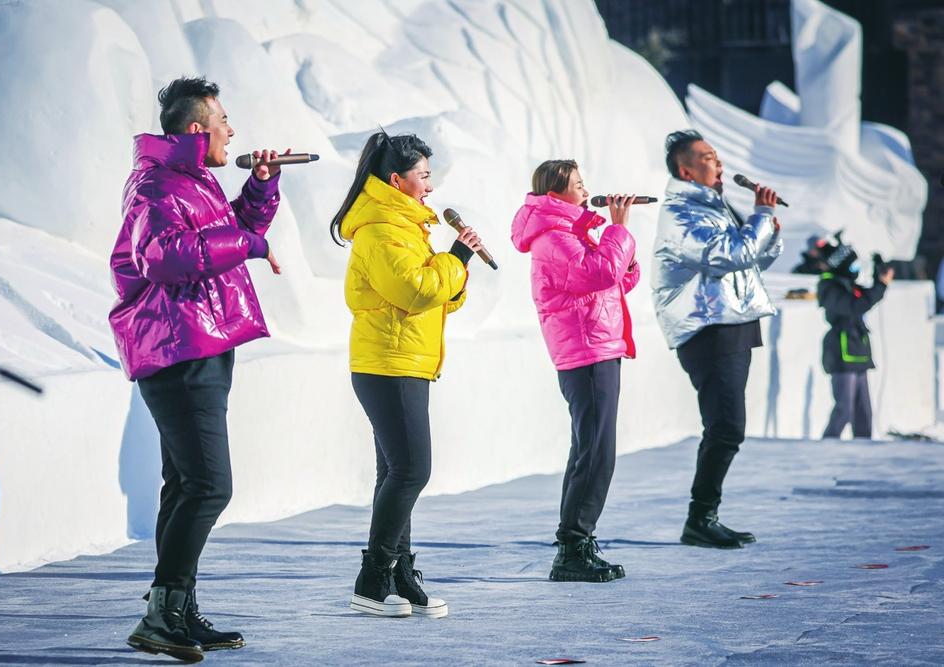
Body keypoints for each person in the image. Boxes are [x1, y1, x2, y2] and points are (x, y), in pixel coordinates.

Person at [109, 76, 284, 662]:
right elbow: (165, 259)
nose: (232, 131)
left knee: (186, 483)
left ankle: (175, 611)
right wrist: (252, 247)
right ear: (196, 129)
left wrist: (260, 189)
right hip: (176, 347)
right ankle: (161, 613)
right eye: (224, 121)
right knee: (210, 485)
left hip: (199, 342)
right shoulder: (155, 185)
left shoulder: (192, 180)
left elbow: (233, 232)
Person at [330, 130, 482, 618]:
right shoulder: (381, 229)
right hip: (388, 363)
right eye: (423, 176)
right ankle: (372, 579)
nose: (429, 187)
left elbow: (439, 297)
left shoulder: (406, 226)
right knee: (412, 469)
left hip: (405, 359)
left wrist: (452, 270)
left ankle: (399, 574)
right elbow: (416, 291)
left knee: (396, 472)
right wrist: (455, 259)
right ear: (397, 180)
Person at [650, 129, 783, 549]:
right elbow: (725, 255)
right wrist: (759, 217)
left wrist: (767, 225)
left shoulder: (714, 205)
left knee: (727, 426)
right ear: (685, 169)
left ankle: (705, 515)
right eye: (709, 157)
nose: (719, 164)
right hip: (707, 326)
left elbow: (753, 257)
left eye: (719, 157)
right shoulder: (682, 212)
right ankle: (700, 518)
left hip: (733, 319)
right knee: (725, 426)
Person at [510, 160, 638, 583]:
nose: (586, 192)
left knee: (592, 449)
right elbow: (597, 272)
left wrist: (618, 251)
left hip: (597, 345)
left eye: (585, 184)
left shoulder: (570, 234)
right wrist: (618, 231)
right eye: (578, 186)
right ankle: (573, 548)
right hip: (586, 352)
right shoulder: (553, 239)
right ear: (554, 194)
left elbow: (611, 280)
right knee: (595, 452)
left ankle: (576, 542)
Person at [817, 238, 894, 438]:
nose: (856, 269)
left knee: (863, 413)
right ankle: (827, 446)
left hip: (858, 352)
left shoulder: (848, 284)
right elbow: (855, 305)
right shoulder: (829, 286)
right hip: (841, 353)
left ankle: (864, 450)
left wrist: (880, 277)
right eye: (852, 264)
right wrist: (880, 287)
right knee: (844, 410)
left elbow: (867, 296)